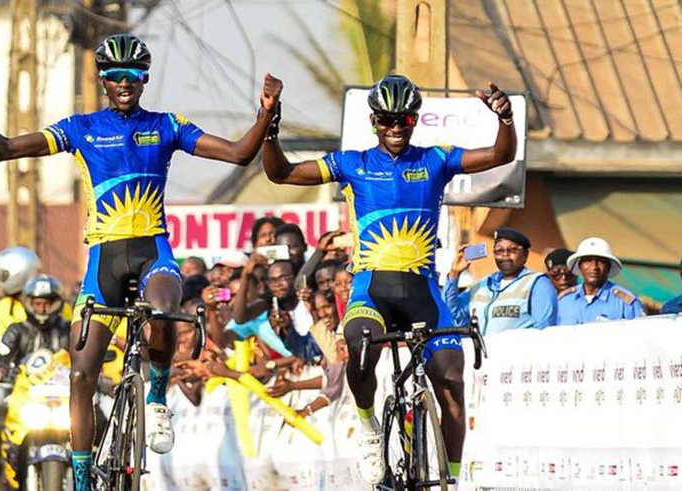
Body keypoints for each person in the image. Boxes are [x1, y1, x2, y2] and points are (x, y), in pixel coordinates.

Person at [0, 32, 282, 490]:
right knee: (82, 373)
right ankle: (84, 476)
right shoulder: (80, 128)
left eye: (134, 75)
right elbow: (3, 149)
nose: (125, 82)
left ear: (145, 79)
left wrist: (265, 113)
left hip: (152, 252)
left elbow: (239, 154)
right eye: (116, 75)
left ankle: (158, 395)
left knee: (165, 307)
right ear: (104, 80)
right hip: (103, 261)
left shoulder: (166, 125)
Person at [261, 74, 517, 483]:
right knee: (361, 350)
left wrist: (505, 119)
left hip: (423, 292)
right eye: (387, 120)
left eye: (404, 120)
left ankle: (451, 478)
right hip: (371, 289)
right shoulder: (352, 163)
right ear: (374, 121)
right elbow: (281, 173)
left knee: (452, 380)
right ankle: (367, 425)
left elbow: (500, 156)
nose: (395, 127)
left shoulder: (436, 158)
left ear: (415, 120)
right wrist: (270, 124)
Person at [0, 274, 70, 489]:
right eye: (37, 303)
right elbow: (1, 355)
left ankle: (100, 464)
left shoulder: (69, 329)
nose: (42, 309)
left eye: (47, 303)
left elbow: (83, 355)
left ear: (57, 304)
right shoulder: (16, 330)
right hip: (24, 396)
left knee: (102, 412)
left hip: (63, 395)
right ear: (28, 303)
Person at [0, 246, 41, 488]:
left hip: (48, 380)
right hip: (13, 377)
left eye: (3, 274)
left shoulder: (57, 303)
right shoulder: (5, 307)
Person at [444, 228, 558, 335]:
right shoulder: (482, 285)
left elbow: (544, 333)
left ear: (525, 255)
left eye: (512, 250)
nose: (505, 255)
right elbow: (451, 315)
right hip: (484, 355)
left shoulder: (538, 284)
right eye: (499, 250)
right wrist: (455, 273)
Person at [558, 237, 644, 324]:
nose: (594, 267)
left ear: (608, 267)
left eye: (600, 262)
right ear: (580, 266)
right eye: (588, 261)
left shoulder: (626, 303)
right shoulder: (563, 300)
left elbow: (642, 334)